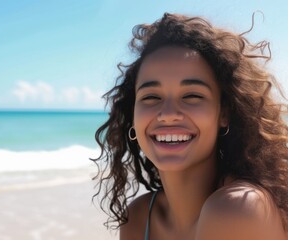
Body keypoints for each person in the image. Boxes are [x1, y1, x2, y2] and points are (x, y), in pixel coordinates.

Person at [92, 13, 288, 240]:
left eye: (192, 95)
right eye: (151, 97)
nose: (167, 114)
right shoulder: (138, 218)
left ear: (223, 112)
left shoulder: (238, 208)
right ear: (133, 113)